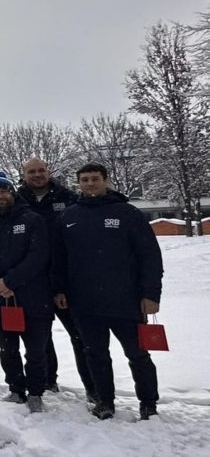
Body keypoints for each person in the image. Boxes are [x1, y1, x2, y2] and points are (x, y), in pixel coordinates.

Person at [52, 163, 164, 421]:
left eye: (95, 179)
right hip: (85, 303)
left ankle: (148, 403)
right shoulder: (68, 216)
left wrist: (151, 295)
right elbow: (59, 259)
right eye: (84, 180)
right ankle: (105, 401)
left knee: (138, 354)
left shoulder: (127, 213)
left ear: (106, 180)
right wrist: (59, 289)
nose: (90, 183)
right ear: (78, 183)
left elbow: (150, 256)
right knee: (95, 355)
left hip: (126, 301)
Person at [0, 173, 52, 413]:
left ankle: (35, 392)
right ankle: (16, 389)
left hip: (33, 297)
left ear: (12, 193)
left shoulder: (32, 219)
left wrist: (11, 280)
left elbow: (38, 255)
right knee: (7, 349)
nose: (0, 196)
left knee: (36, 351)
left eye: (4, 191)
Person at [17, 157, 93, 399]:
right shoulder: (18, 200)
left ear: (48, 172)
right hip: (32, 279)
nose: (37, 175)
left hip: (66, 279)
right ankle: (47, 380)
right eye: (31, 171)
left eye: (41, 170)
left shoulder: (68, 198)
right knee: (39, 337)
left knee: (80, 336)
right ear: (24, 175)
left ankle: (93, 388)